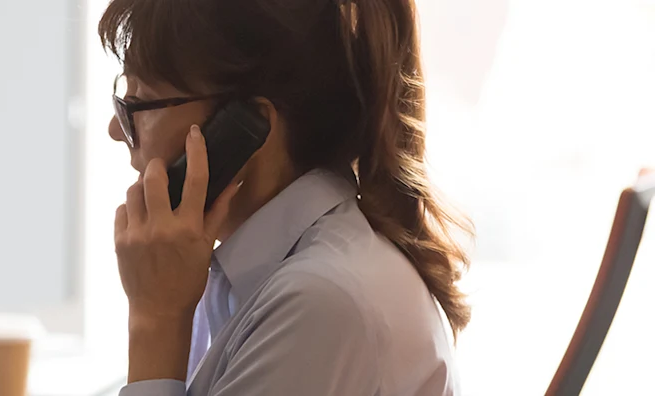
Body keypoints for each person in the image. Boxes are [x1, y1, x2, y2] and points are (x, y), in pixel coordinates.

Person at [102, 0, 471, 395]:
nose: (115, 130)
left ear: (247, 126)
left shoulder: (319, 304)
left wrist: (156, 319)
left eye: (138, 104)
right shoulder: (267, 282)